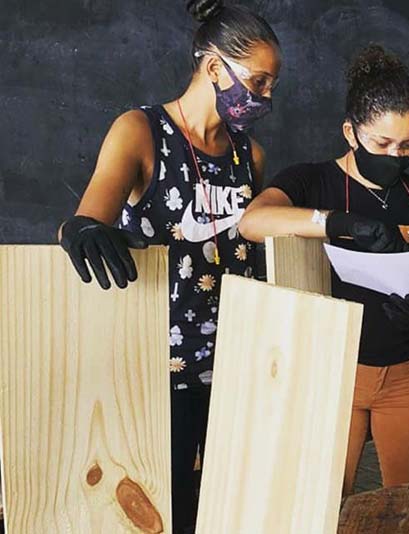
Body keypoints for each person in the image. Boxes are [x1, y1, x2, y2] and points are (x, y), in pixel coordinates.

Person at [57, 1, 281, 531]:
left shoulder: (251, 156)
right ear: (212, 68)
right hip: (161, 370)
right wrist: (82, 230)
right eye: (258, 81)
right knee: (168, 510)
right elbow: (88, 217)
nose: (266, 97)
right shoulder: (141, 131)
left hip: (238, 364)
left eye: (272, 85)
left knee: (236, 506)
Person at [239, 44, 409, 495]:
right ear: (350, 131)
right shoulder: (311, 181)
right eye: (381, 144)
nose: (395, 156)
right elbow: (253, 222)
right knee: (317, 500)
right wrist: (333, 223)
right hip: (331, 370)